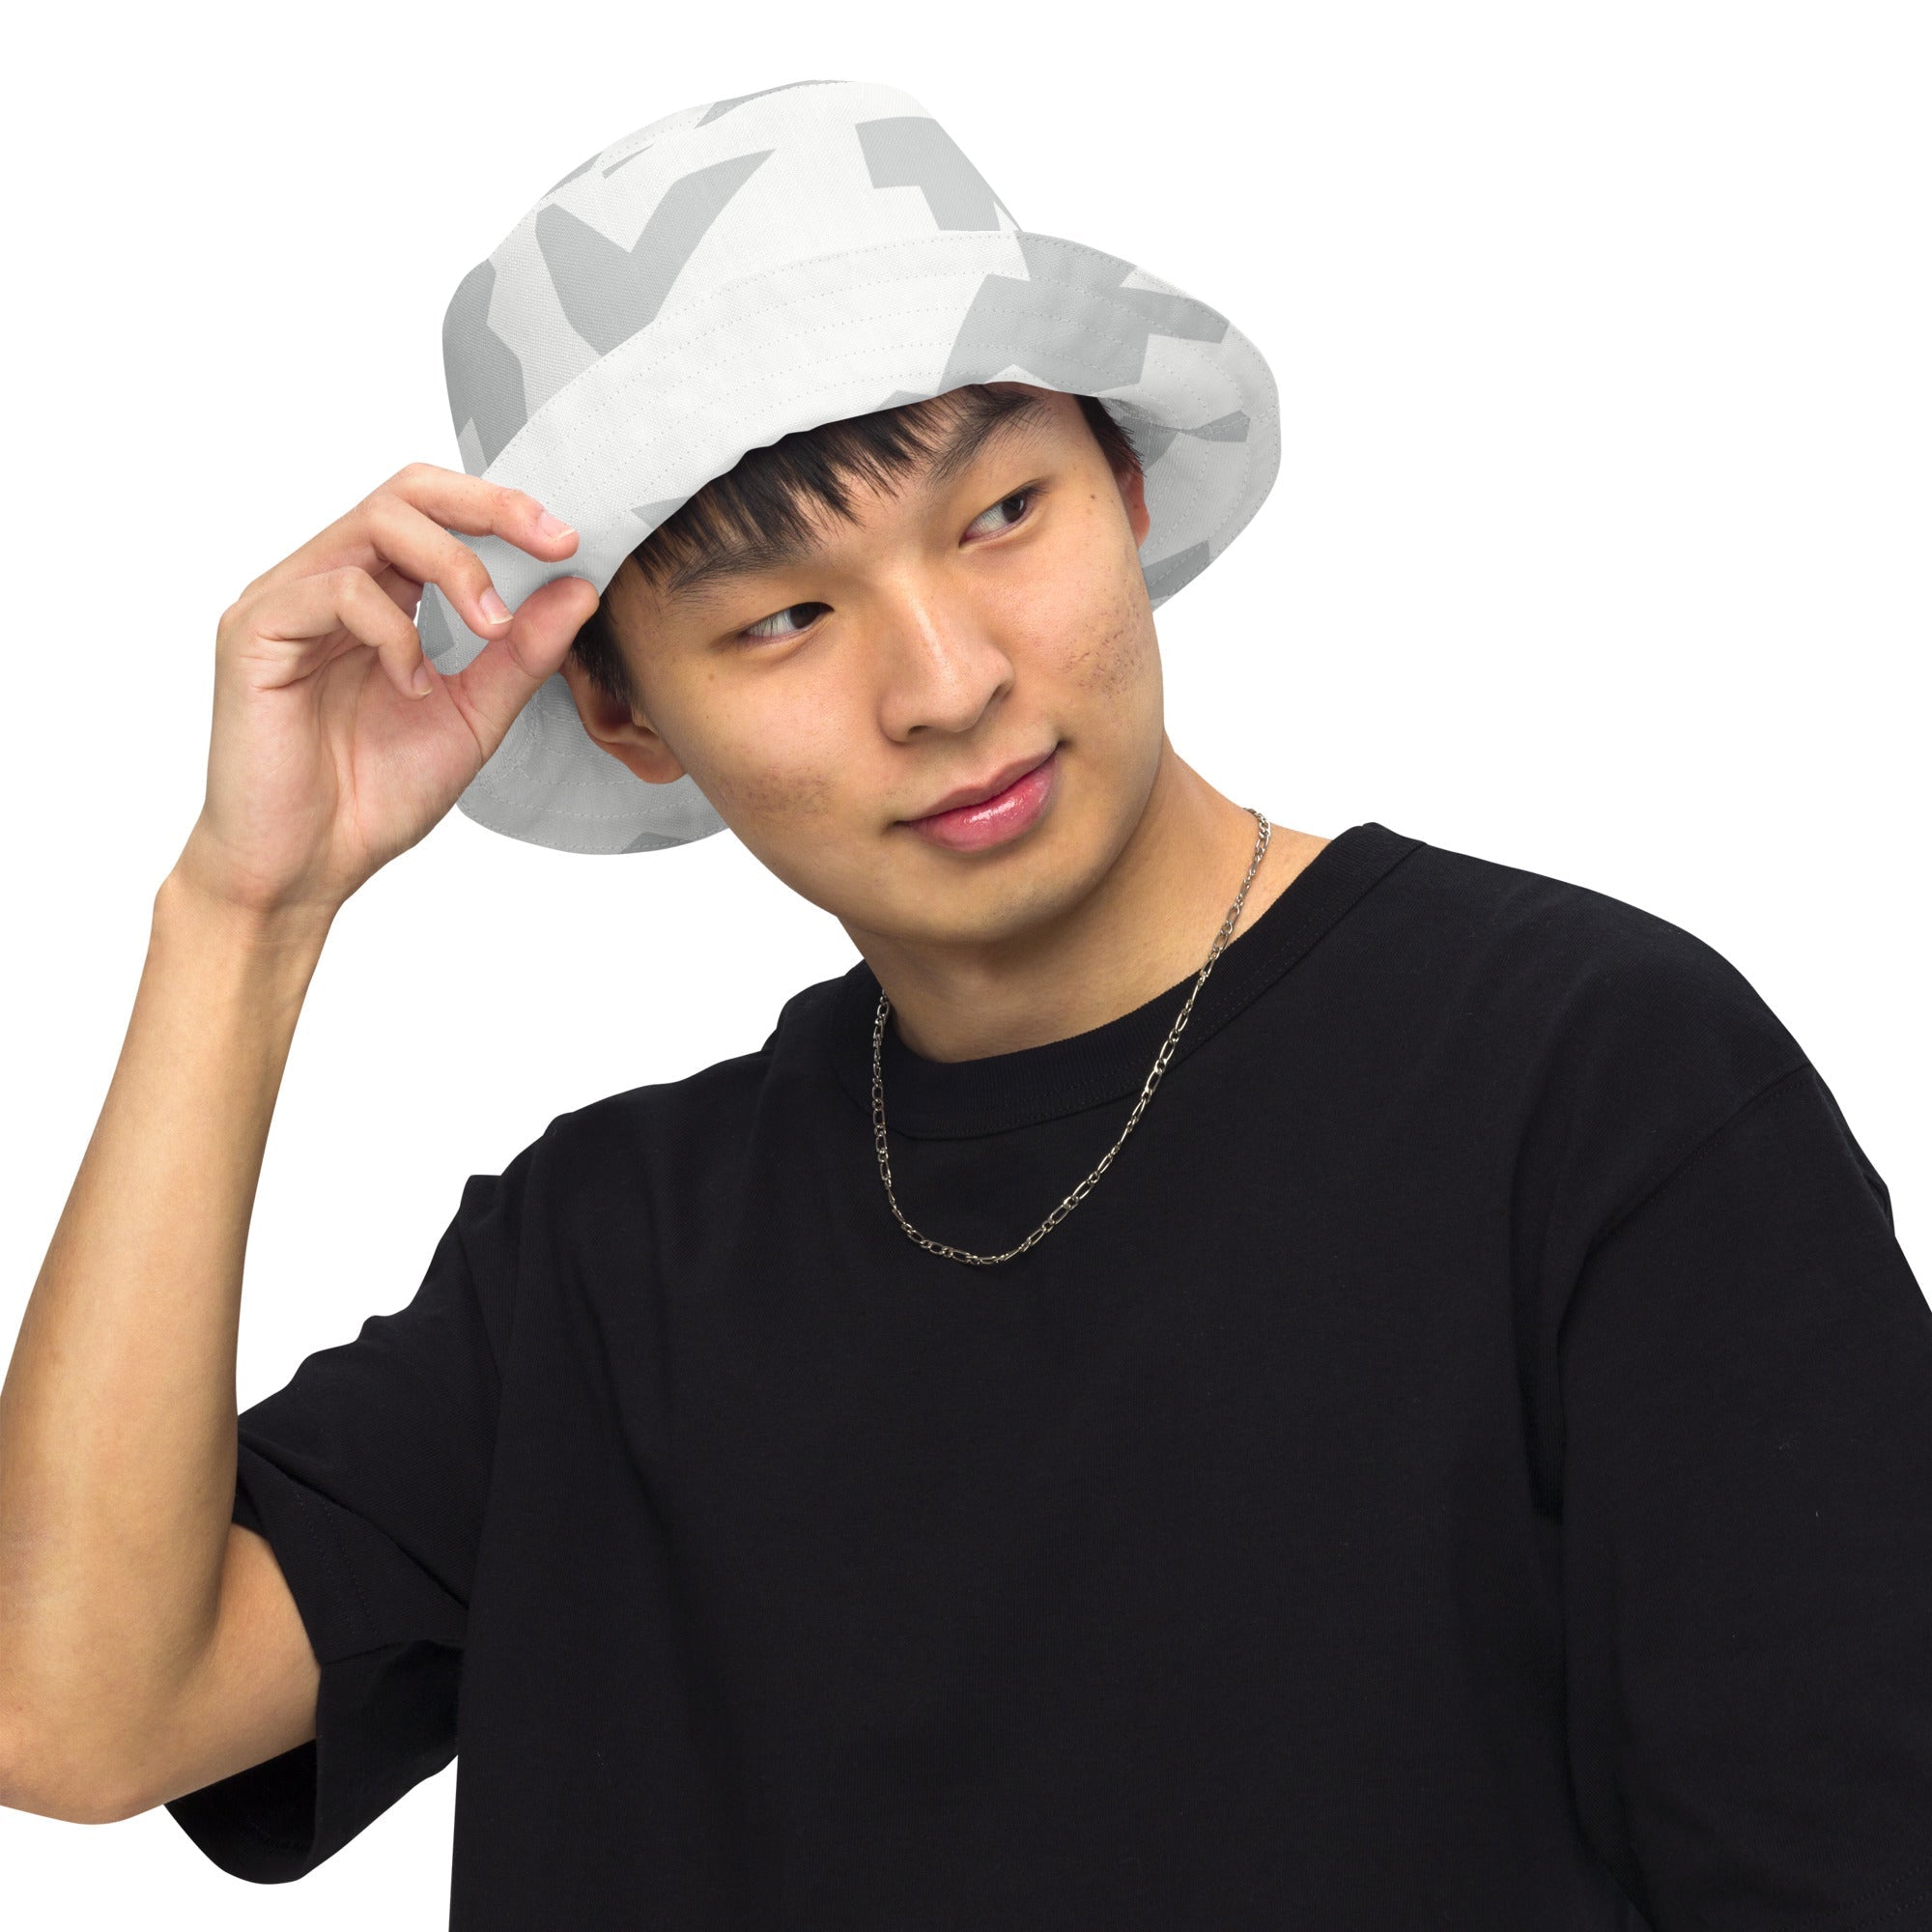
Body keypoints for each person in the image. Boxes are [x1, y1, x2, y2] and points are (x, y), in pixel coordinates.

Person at [3, 79, 1929, 1932]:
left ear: (1122, 479)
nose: (945, 682)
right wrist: (244, 912)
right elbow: (70, 1712)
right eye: (783, 616)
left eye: (1000, 514)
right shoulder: (605, 1257)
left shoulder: (1594, 1090)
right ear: (623, 708)